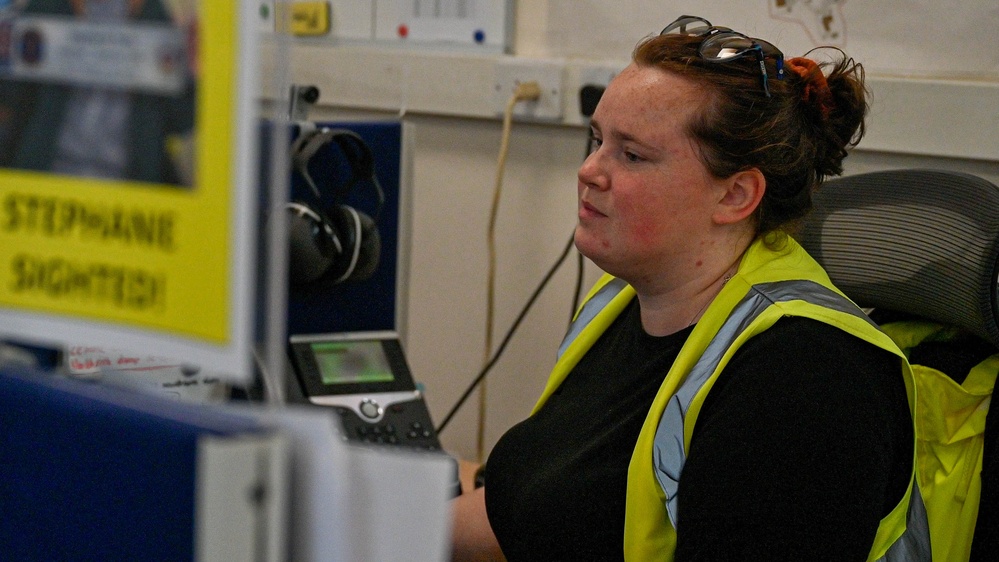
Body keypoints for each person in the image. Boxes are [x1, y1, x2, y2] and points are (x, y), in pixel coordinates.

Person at [451, 15, 928, 561]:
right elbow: (525, 511)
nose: (589, 170)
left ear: (735, 196)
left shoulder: (807, 378)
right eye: (597, 139)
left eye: (631, 155)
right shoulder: (624, 305)